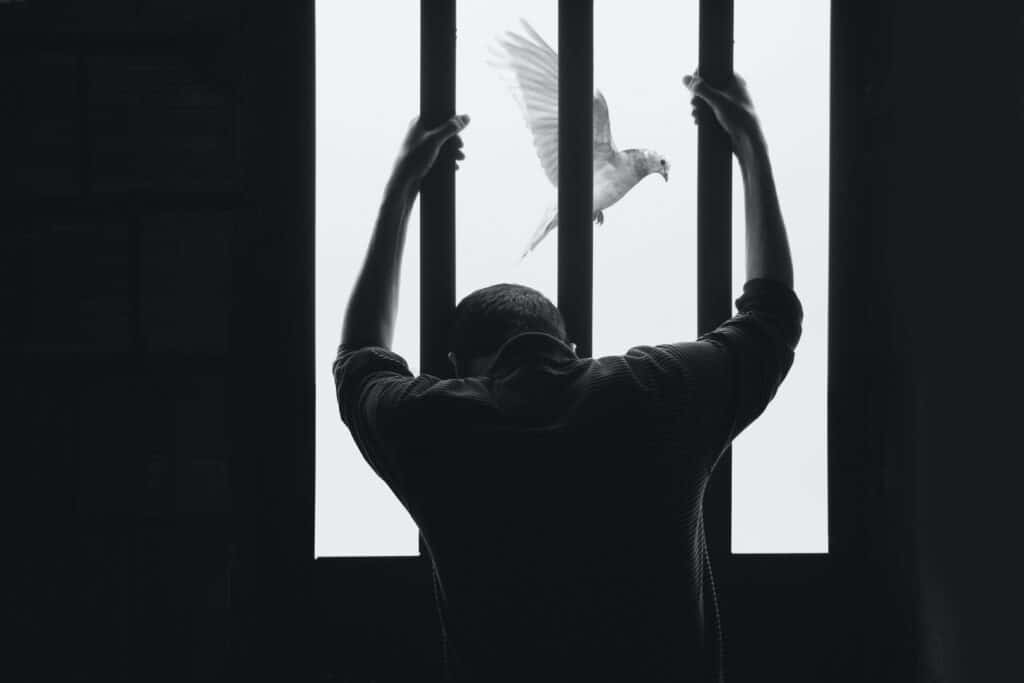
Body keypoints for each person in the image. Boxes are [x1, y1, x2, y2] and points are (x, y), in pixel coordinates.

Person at [334, 72, 801, 682]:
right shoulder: (658, 393)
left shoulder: (433, 423)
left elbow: (359, 360)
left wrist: (403, 184)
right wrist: (748, 140)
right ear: (572, 347)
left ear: (457, 369)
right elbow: (771, 318)